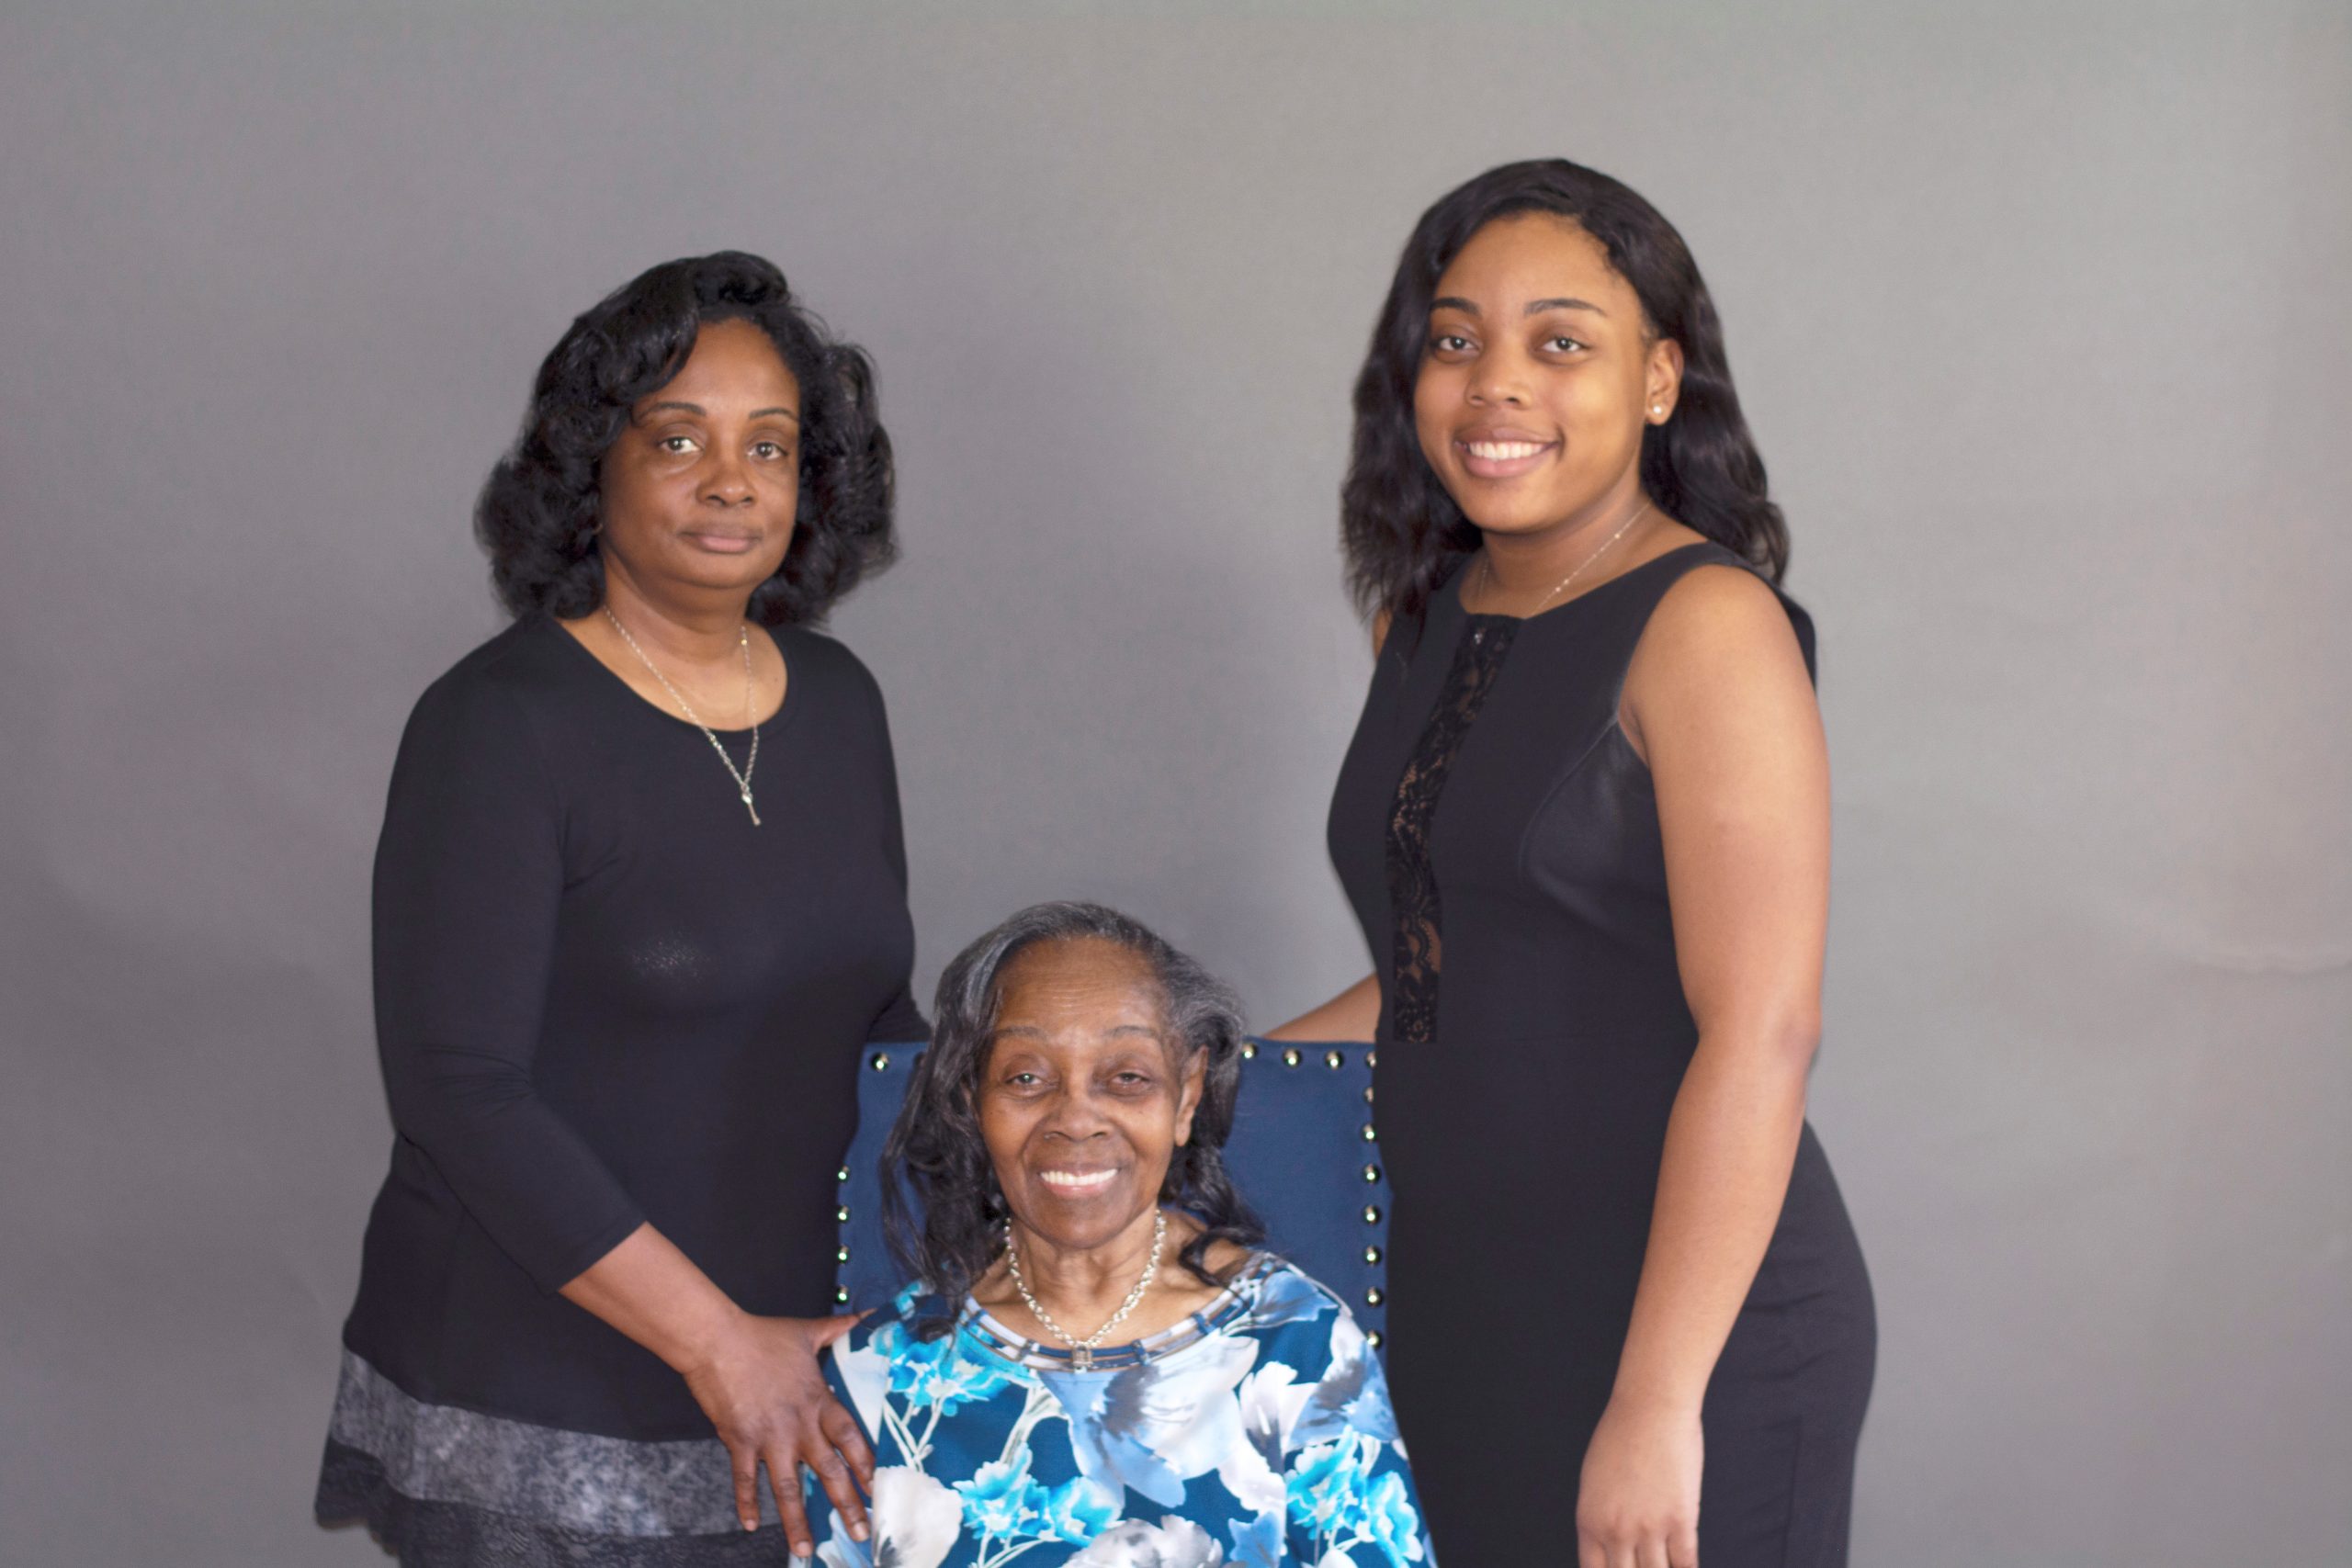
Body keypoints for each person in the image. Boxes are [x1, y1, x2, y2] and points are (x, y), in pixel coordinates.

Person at [1269, 160, 1876, 1568]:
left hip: (1685, 1331)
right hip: (1458, 1301)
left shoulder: (1707, 623)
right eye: (1456, 337)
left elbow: (1764, 1030)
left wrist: (1659, 1402)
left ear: (1659, 378)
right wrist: (1206, 1080)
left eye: (1560, 341)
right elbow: (1450, 971)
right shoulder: (1420, 620)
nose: (1495, 382)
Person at [314, 252, 923, 1565]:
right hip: (543, 1395)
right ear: (592, 463)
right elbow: (457, 1084)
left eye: (771, 444)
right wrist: (721, 1343)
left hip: (794, 1383)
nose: (730, 479)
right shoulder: (497, 724)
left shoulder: (838, 699)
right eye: (677, 437)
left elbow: (878, 1020)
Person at [801, 902, 1431, 1567]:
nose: (1076, 1117)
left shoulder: (1299, 1346)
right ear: (969, 1100)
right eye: (1026, 1077)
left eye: (1126, 1077)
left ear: (1186, 1097)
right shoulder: (878, 1376)